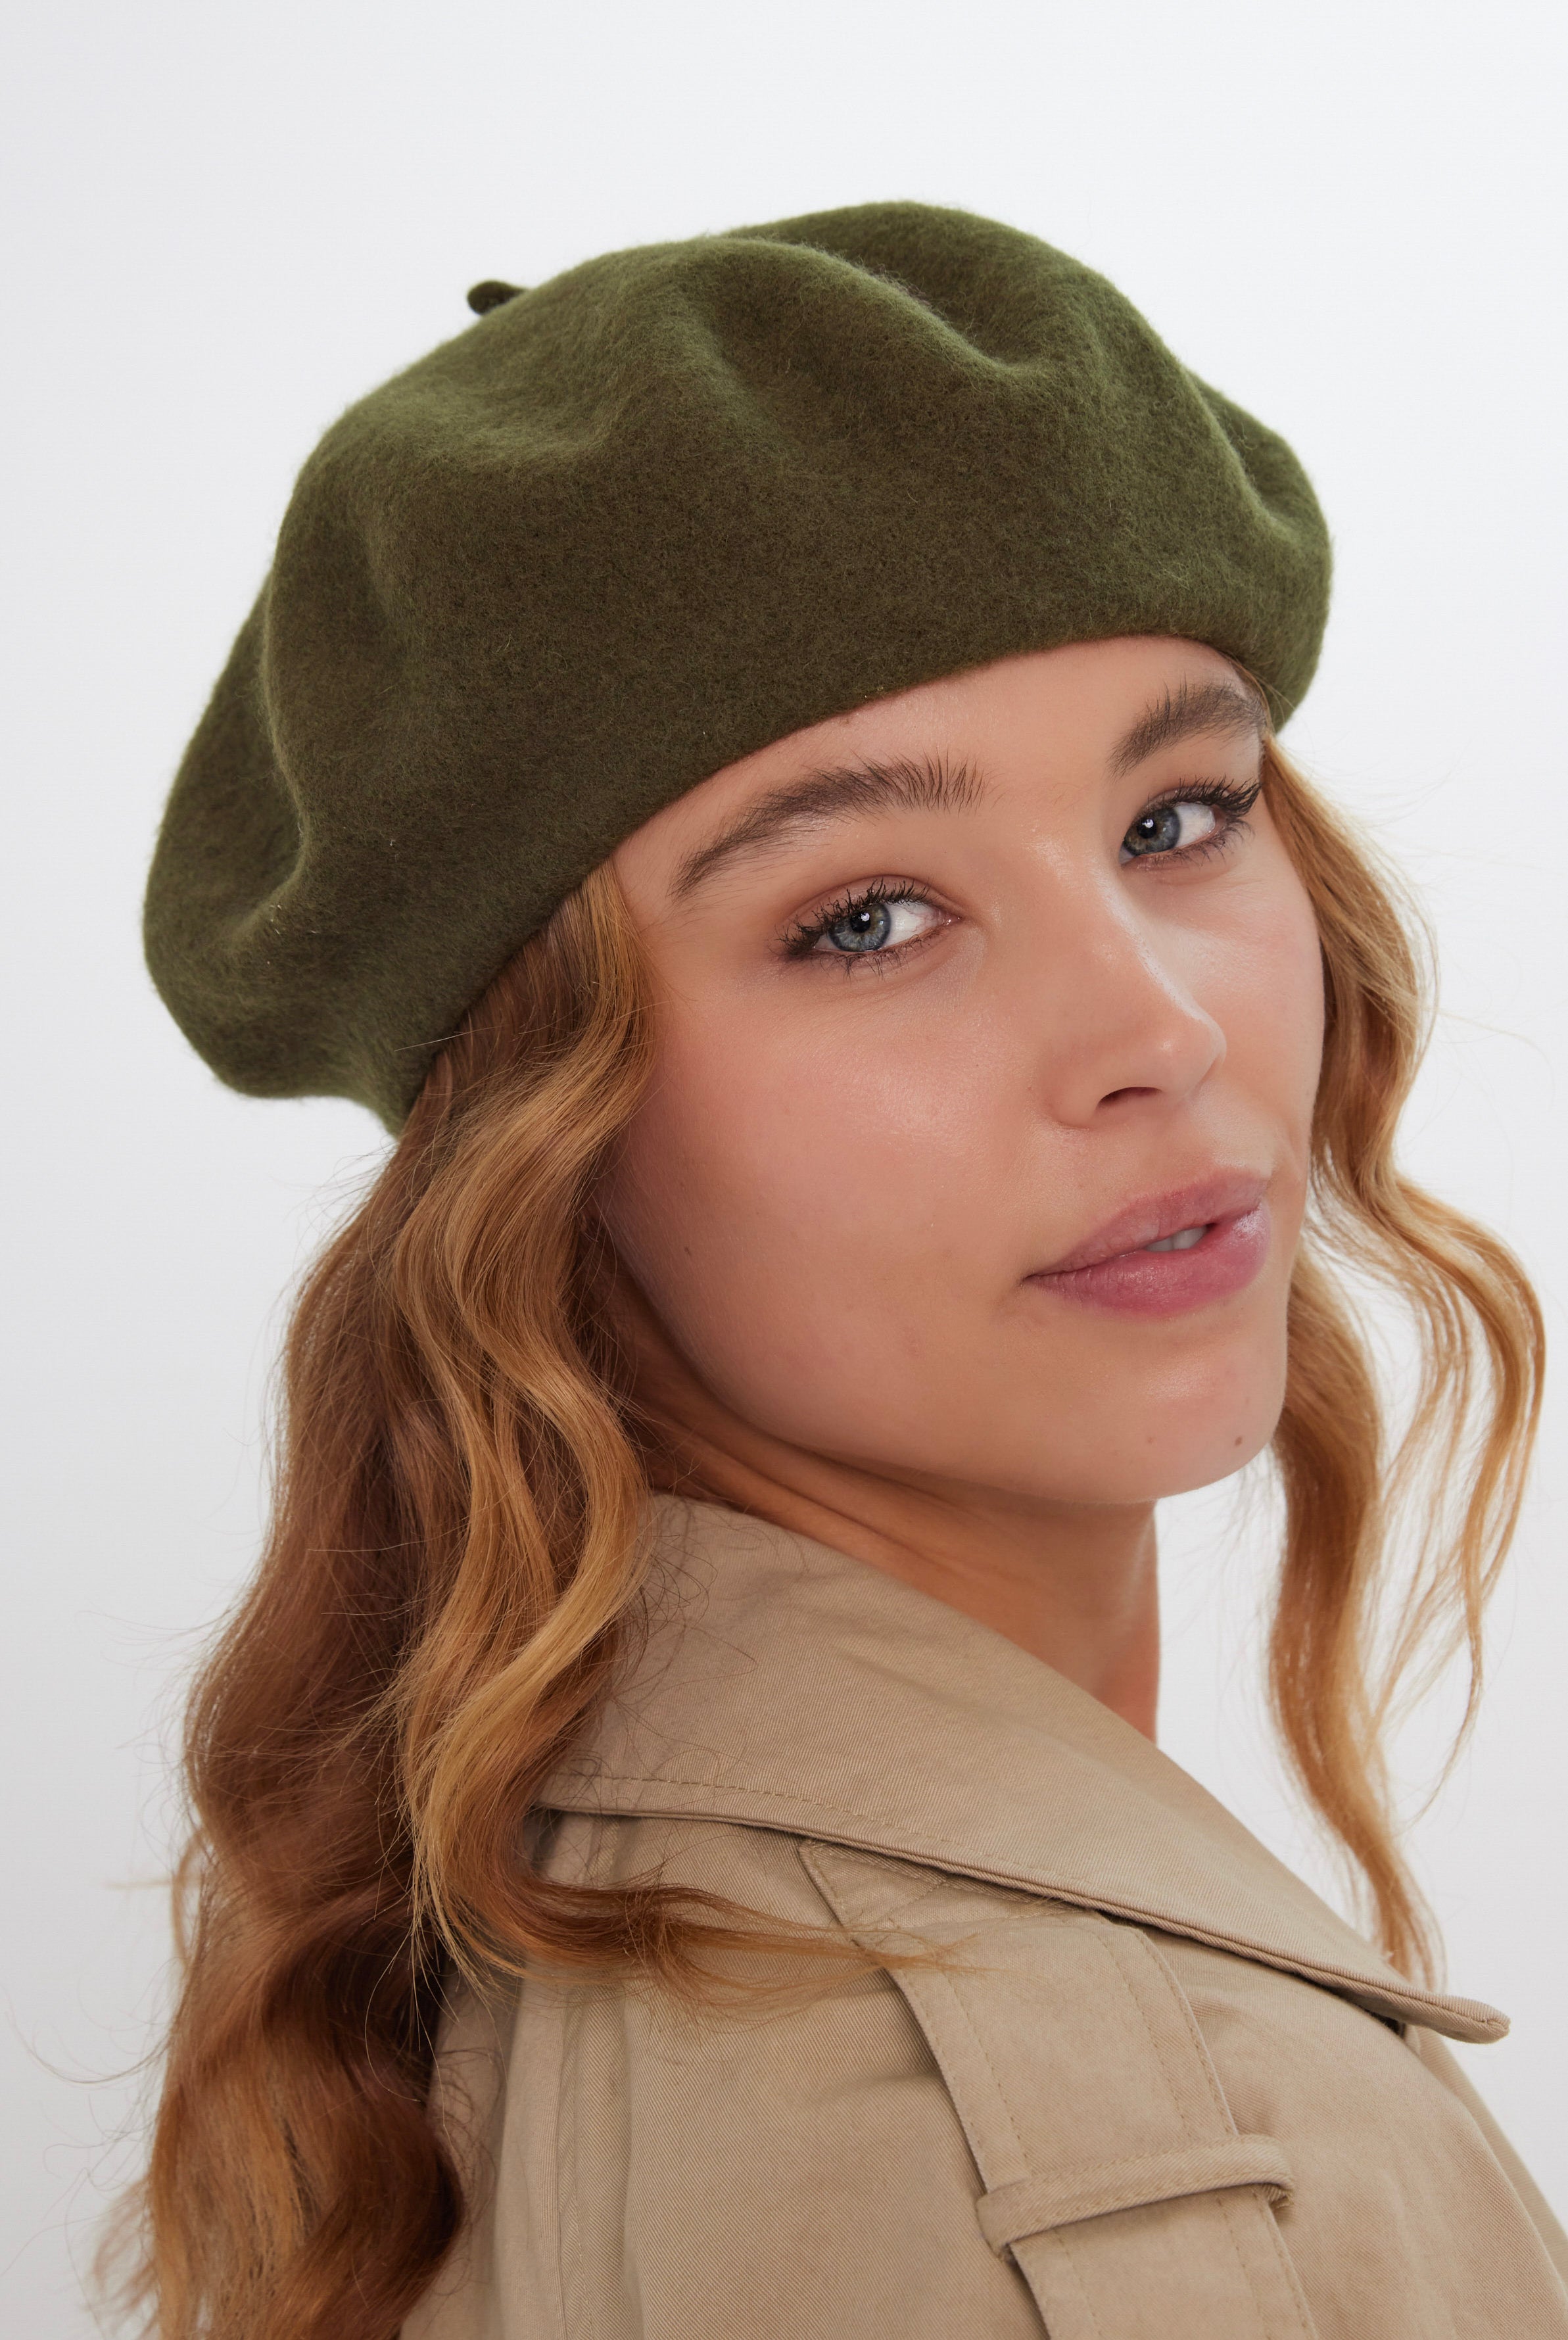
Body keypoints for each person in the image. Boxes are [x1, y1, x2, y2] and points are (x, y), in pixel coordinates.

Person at [124, 203, 1564, 2339]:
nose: (1157, 1031)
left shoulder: (571, 1917)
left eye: (1178, 816)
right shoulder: (1082, 2169)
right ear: (538, 1138)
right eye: (864, 919)